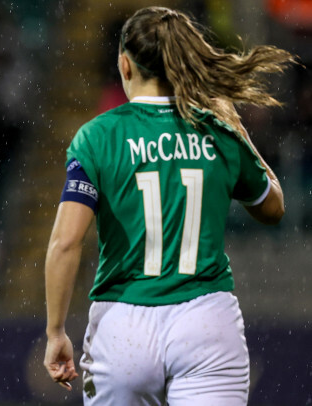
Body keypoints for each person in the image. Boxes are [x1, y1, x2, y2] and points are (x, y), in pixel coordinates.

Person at [43, 6, 295, 405]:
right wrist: (239, 130)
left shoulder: (98, 135)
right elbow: (272, 207)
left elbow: (65, 244)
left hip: (122, 324)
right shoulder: (216, 129)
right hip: (206, 320)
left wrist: (56, 331)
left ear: (125, 65)